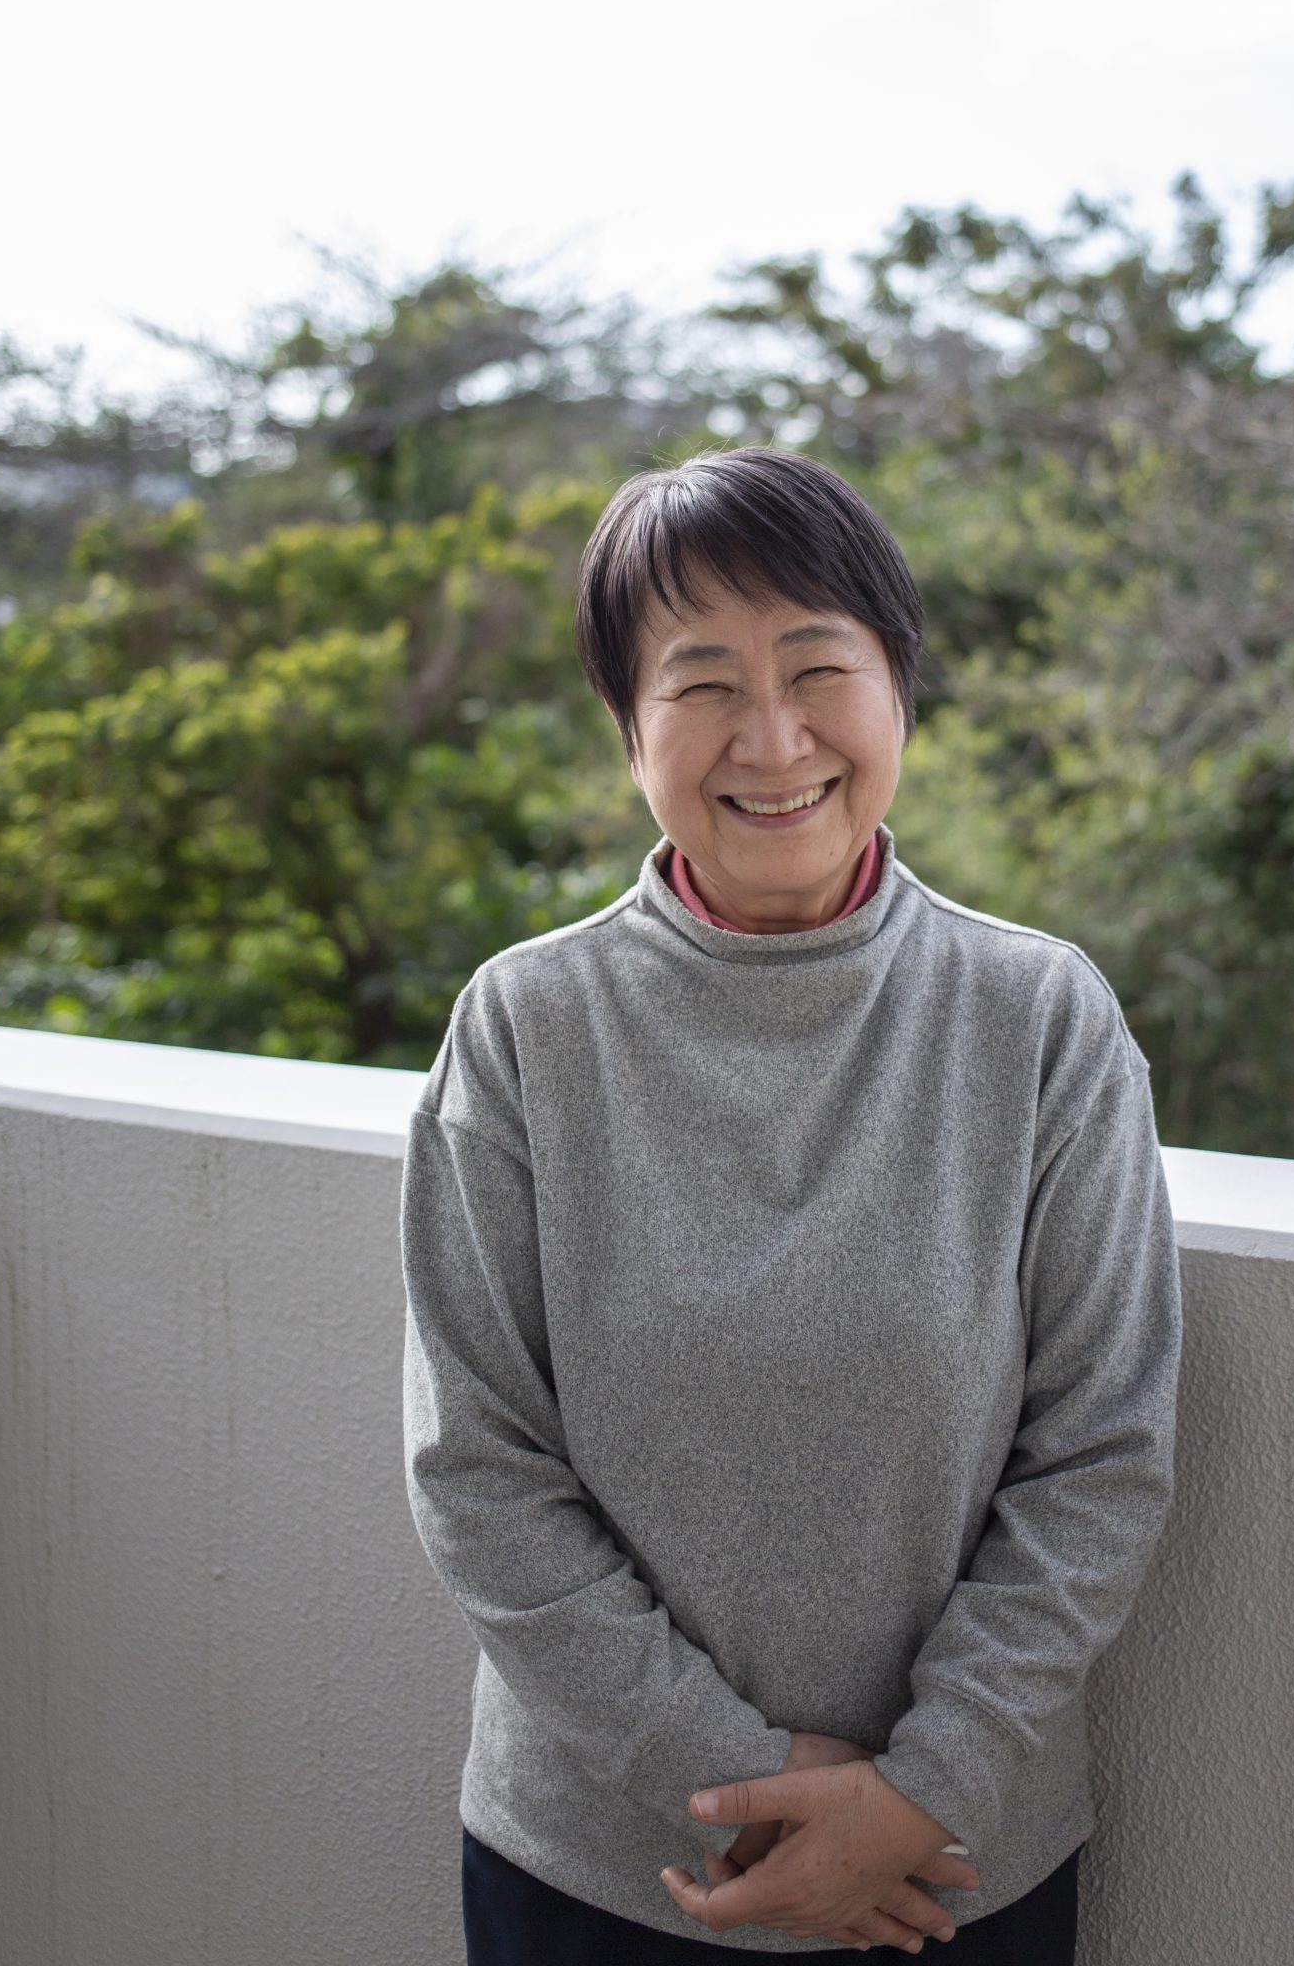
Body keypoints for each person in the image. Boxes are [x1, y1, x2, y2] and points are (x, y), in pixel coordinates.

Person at [401, 445, 1183, 1959]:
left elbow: (1103, 1454)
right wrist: (738, 1779)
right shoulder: (523, 1029)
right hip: (605, 1875)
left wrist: (924, 1786)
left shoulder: (1038, 1019)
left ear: (900, 691)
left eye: (820, 668)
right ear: (629, 727)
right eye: (699, 685)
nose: (772, 739)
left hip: (949, 1876)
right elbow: (478, 1470)